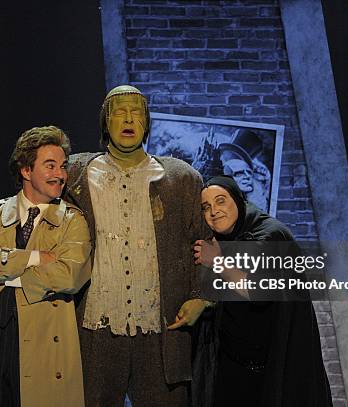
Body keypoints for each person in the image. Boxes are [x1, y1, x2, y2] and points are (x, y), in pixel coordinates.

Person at [65, 84, 212, 406]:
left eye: (136, 112)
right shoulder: (76, 173)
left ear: (146, 123)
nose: (128, 119)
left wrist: (202, 297)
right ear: (106, 122)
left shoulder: (180, 177)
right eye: (119, 112)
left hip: (162, 329)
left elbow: (206, 243)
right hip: (95, 328)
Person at [0, 126, 92, 407]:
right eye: (50, 166)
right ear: (26, 170)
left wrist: (4, 274)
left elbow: (69, 275)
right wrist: (34, 258)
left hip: (43, 339)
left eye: (62, 167)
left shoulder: (74, 221)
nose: (60, 175)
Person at [193, 176, 332, 407]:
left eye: (220, 201)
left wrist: (218, 262)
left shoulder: (270, 235)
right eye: (206, 207)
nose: (214, 211)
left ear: (237, 200)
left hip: (273, 366)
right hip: (234, 364)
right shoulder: (221, 240)